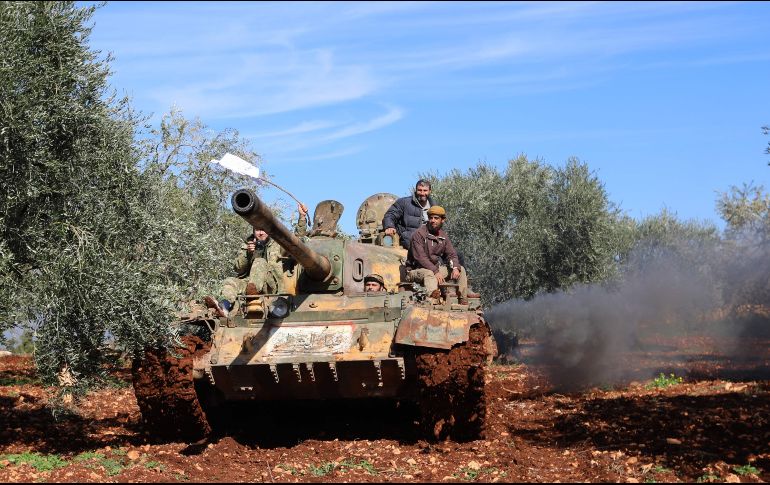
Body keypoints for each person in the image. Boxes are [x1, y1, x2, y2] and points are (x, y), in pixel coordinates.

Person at [405, 205, 472, 304]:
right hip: (416, 271)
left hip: (434, 269)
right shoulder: (419, 234)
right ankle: (433, 298)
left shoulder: (443, 236)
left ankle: (463, 299)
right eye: (431, 218)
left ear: (443, 220)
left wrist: (455, 267)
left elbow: (451, 254)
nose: (433, 220)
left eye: (436, 218)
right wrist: (436, 271)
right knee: (429, 274)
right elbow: (420, 258)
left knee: (461, 269)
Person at [382, 179, 435, 250]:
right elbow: (390, 215)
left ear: (430, 191)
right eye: (420, 190)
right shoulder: (404, 202)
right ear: (416, 190)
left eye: (425, 190)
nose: (422, 193)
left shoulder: (434, 207)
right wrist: (389, 226)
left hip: (428, 241)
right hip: (409, 240)